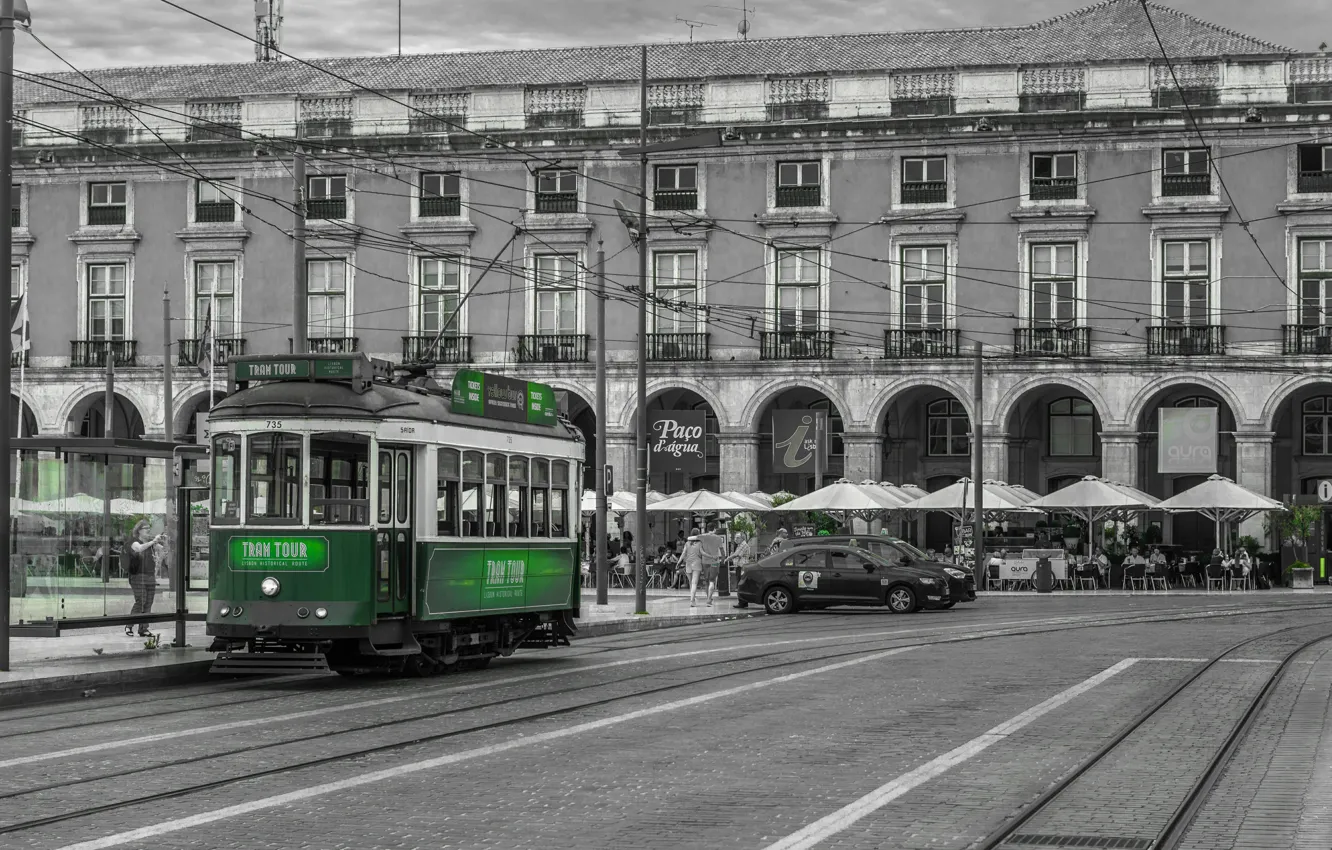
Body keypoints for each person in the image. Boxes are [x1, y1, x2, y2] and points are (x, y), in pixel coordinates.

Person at [127, 520, 164, 637]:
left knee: (148, 602)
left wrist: (162, 542)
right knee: (141, 601)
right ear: (139, 530)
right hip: (137, 576)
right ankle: (129, 625)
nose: (148, 530)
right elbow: (139, 548)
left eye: (149, 528)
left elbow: (162, 549)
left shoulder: (150, 543)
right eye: (145, 528)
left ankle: (143, 628)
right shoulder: (133, 542)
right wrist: (153, 541)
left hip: (150, 576)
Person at [698, 521, 725, 607]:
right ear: (714, 529)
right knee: (712, 581)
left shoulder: (702, 537)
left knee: (706, 581)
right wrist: (723, 559)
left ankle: (708, 598)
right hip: (715, 562)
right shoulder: (718, 538)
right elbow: (722, 550)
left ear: (707, 528)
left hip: (705, 562)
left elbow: (692, 539)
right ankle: (709, 599)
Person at [682, 535, 705, 606]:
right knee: (694, 583)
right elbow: (702, 553)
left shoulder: (687, 543)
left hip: (688, 563)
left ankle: (693, 598)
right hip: (697, 563)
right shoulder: (700, 543)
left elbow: (683, 553)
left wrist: (679, 562)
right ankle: (692, 601)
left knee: (690, 582)